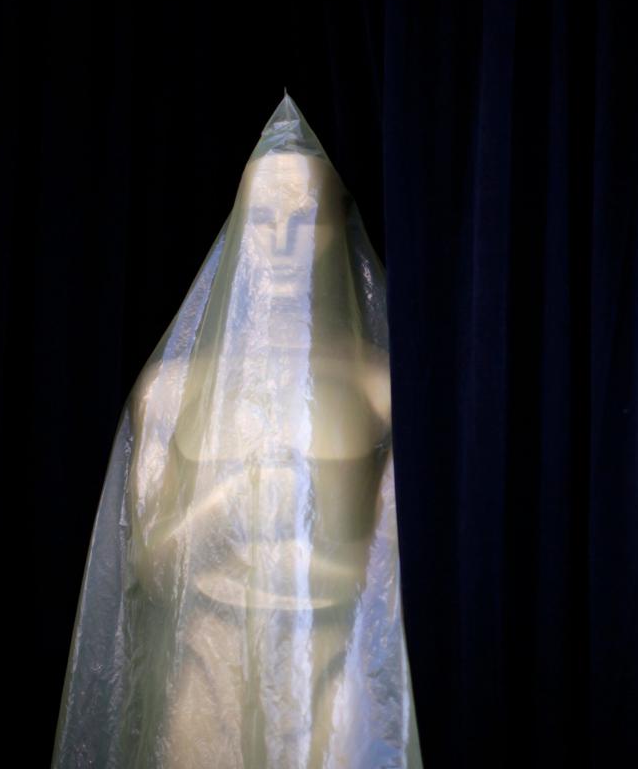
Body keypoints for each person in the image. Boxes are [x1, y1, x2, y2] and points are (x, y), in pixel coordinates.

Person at [50, 91, 422, 768]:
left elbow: (392, 573)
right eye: (262, 219)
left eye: (303, 220)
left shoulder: (382, 390)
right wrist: (233, 500)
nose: (279, 243)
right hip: (208, 674)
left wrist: (305, 531)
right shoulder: (170, 392)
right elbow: (144, 567)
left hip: (328, 674)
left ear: (335, 228)